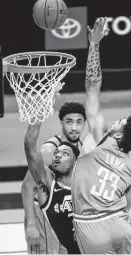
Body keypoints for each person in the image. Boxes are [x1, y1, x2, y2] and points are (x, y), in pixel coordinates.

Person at [71, 18, 131, 254]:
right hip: (120, 227)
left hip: (89, 230)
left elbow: (92, 87)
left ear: (120, 133)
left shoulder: (96, 141)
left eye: (121, 122)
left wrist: (94, 44)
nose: (117, 120)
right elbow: (123, 209)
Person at [21, 101, 86, 254]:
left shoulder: (81, 149)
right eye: (69, 122)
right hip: (45, 215)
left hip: (66, 216)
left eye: (79, 122)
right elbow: (26, 187)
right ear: (61, 123)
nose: (74, 128)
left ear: (85, 123)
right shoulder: (50, 150)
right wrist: (31, 224)